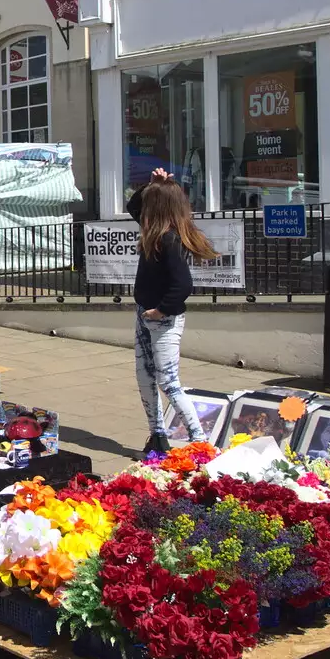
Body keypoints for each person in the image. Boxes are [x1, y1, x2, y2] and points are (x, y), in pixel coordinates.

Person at [127, 167, 219, 455]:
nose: (143, 211)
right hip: (144, 314)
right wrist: (150, 184)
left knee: (169, 382)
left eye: (150, 203)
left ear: (159, 208)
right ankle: (157, 435)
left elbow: (183, 284)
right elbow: (133, 205)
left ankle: (200, 441)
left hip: (162, 320)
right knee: (145, 378)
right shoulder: (152, 231)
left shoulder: (169, 239)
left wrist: (161, 311)